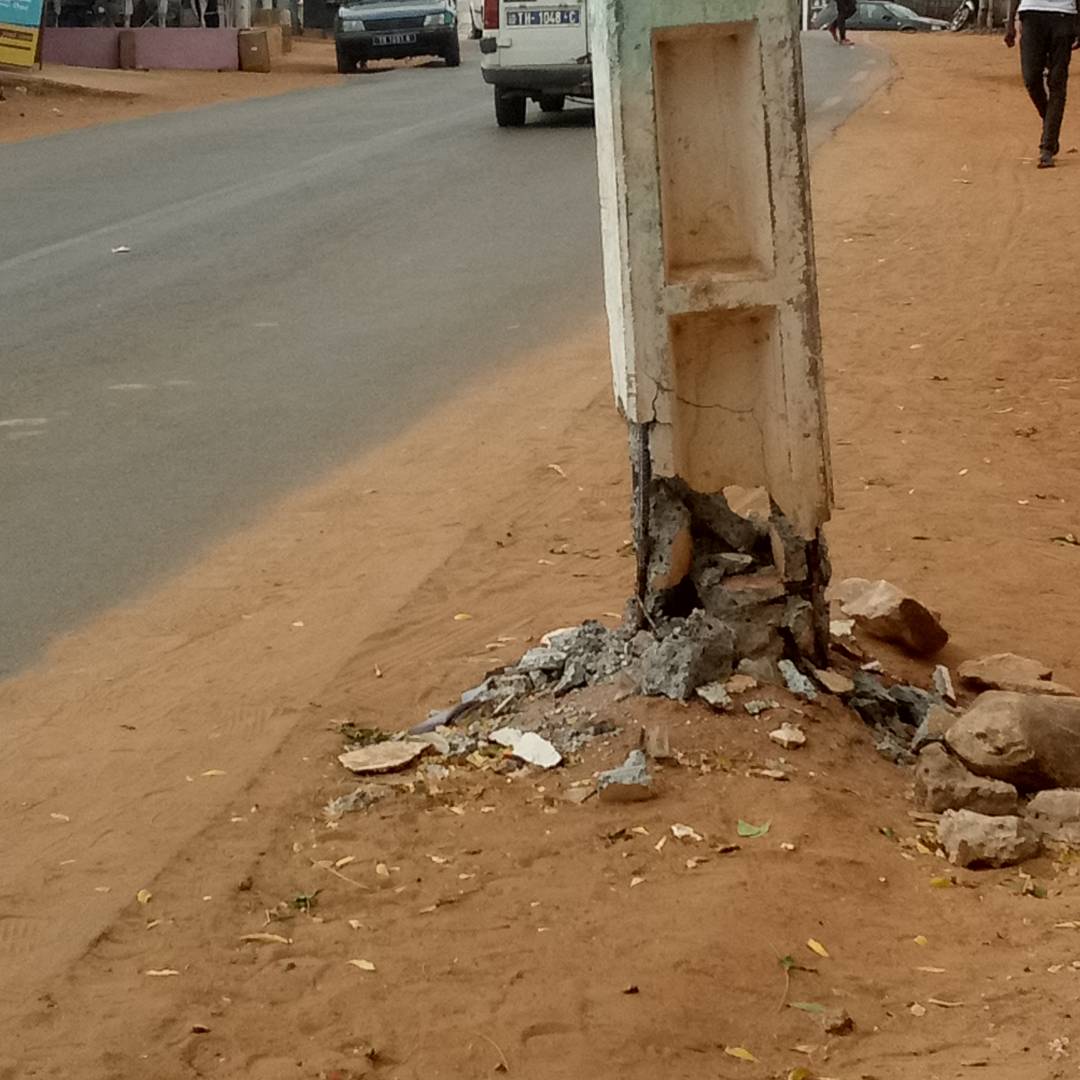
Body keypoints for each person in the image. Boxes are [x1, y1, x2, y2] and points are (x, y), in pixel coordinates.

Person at [1005, 0, 1078, 168]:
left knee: (1057, 81)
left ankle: (1047, 146)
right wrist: (1010, 24)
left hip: (1064, 14)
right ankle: (1049, 124)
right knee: (1031, 77)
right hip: (1031, 12)